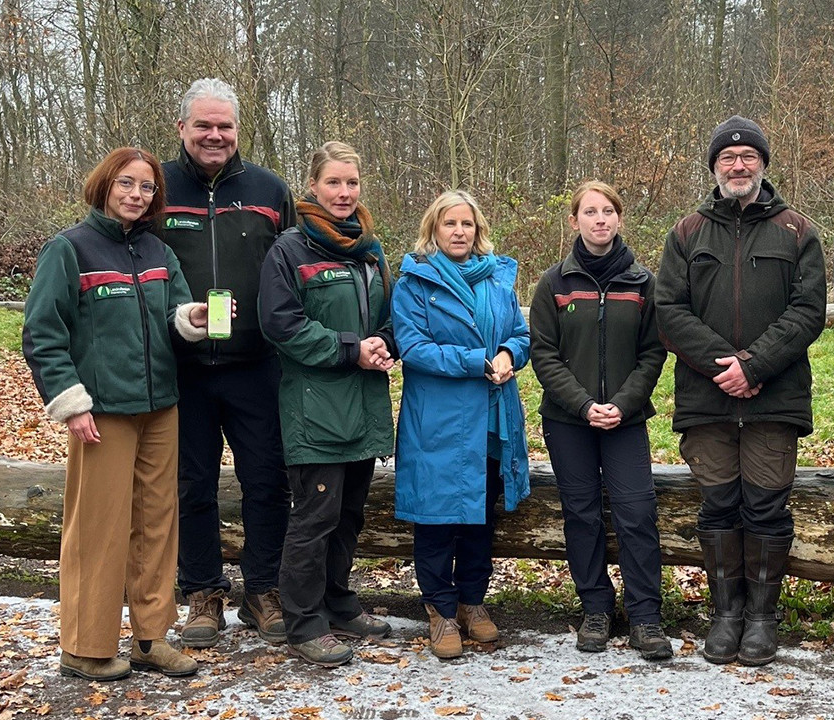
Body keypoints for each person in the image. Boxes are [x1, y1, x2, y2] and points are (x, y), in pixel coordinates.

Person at [23, 147, 208, 680]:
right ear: (105, 184)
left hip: (160, 408)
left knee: (157, 524)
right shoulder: (68, 249)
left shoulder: (157, 250)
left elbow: (175, 315)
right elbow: (43, 333)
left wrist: (192, 317)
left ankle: (151, 638)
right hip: (100, 412)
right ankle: (85, 644)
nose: (136, 194)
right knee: (98, 528)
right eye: (126, 183)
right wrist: (71, 404)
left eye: (147, 188)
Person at [655, 115, 827, 666]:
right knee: (718, 506)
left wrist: (754, 366)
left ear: (763, 165)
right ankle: (725, 615)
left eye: (748, 156)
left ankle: (762, 618)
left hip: (774, 397)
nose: (738, 165)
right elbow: (669, 310)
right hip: (706, 399)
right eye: (727, 158)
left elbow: (807, 312)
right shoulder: (685, 233)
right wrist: (720, 366)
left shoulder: (798, 232)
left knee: (766, 507)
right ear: (713, 167)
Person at [158, 78, 295, 649]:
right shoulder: (155, 186)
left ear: (239, 129)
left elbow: (295, 266)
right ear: (182, 127)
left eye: (225, 126)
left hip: (256, 363)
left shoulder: (268, 189)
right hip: (182, 367)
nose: (215, 135)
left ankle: (263, 591)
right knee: (193, 485)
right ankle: (203, 594)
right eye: (203, 125)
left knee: (266, 480)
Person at [258, 142, 396, 666]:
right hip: (314, 407)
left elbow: (389, 312)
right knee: (315, 517)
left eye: (352, 183)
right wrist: (349, 349)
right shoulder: (290, 251)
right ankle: (305, 622)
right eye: (334, 182)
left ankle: (339, 602)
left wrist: (385, 341)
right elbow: (282, 325)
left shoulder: (371, 250)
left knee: (349, 514)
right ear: (313, 186)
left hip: (363, 402)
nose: (344, 193)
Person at [529, 181, 671, 660]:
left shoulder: (643, 283)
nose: (600, 219)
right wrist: (584, 404)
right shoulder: (554, 283)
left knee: (636, 514)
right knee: (582, 515)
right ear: (575, 221)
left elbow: (653, 353)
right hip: (569, 421)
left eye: (608, 211)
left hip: (626, 421)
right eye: (590, 211)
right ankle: (595, 608)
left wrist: (622, 405)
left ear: (619, 219)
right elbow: (544, 356)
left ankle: (645, 615)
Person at [391, 190, 531, 660]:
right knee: (436, 518)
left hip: (491, 419)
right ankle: (440, 610)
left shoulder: (496, 279)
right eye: (449, 223)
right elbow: (413, 346)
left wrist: (510, 354)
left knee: (480, 519)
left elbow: (519, 332)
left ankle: (473, 602)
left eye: (466, 224)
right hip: (439, 421)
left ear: (478, 229)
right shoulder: (414, 282)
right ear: (433, 228)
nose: (459, 232)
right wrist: (477, 361)